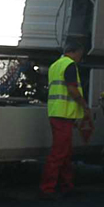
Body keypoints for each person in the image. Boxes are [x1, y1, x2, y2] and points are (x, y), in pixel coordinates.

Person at [40, 37, 93, 196]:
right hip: (63, 114)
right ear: (74, 52)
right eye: (80, 54)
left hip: (57, 112)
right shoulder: (70, 65)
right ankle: (47, 188)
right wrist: (84, 106)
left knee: (65, 152)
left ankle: (66, 185)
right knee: (59, 153)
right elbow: (72, 89)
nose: (80, 58)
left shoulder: (55, 65)